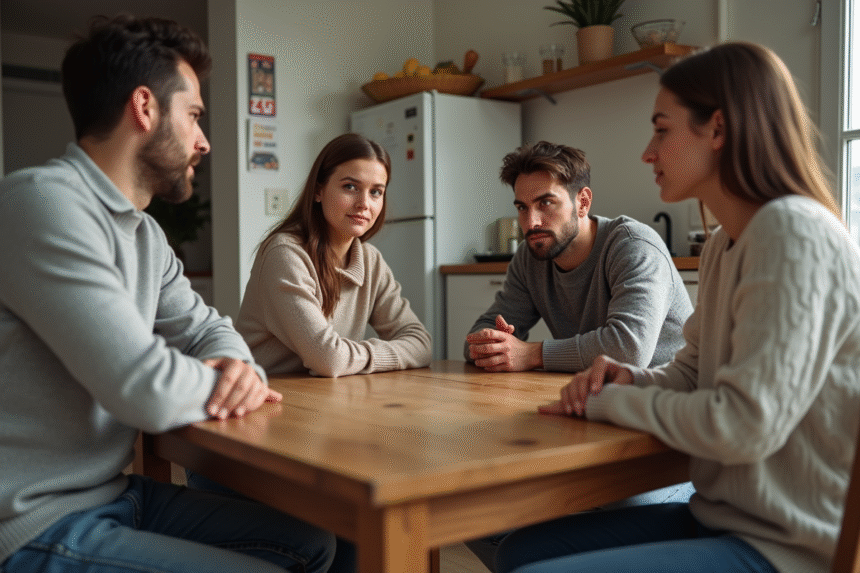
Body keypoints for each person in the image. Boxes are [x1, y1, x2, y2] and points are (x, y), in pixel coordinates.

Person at [495, 42, 860, 573]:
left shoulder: (793, 234)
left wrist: (606, 404)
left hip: (787, 550)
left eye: (662, 129)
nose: (648, 151)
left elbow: (741, 425)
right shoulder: (723, 245)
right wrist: (626, 381)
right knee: (518, 550)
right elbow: (690, 372)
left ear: (718, 130)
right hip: (723, 517)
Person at [0, 14, 344, 573]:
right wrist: (233, 382)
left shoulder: (145, 233)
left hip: (114, 493)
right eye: (194, 116)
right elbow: (143, 388)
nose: (204, 141)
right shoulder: (40, 205)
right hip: (34, 520)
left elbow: (208, 327)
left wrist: (238, 364)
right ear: (144, 108)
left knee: (314, 542)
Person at [465, 141, 692, 373]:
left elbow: (629, 348)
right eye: (522, 208)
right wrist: (492, 344)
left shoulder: (633, 245)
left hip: (670, 396)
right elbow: (474, 338)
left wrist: (531, 354)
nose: (531, 223)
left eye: (546, 203)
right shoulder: (530, 256)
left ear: (582, 202)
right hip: (592, 390)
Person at [234, 133, 432, 378]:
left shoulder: (370, 261)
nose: (364, 204)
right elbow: (329, 359)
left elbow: (421, 344)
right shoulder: (284, 253)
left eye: (376, 192)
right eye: (350, 187)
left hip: (326, 395)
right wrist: (379, 355)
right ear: (318, 191)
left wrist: (351, 357)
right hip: (264, 396)